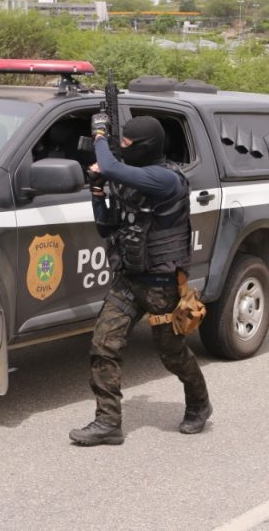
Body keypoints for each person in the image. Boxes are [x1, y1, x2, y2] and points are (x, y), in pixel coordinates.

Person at [69, 115, 211, 446]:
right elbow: (107, 227)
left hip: (161, 285)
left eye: (128, 144)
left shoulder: (165, 179)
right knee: (103, 344)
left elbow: (112, 166)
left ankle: (199, 405)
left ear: (146, 147)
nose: (123, 149)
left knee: (172, 354)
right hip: (128, 279)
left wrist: (100, 134)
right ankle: (108, 423)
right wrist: (96, 192)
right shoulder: (128, 179)